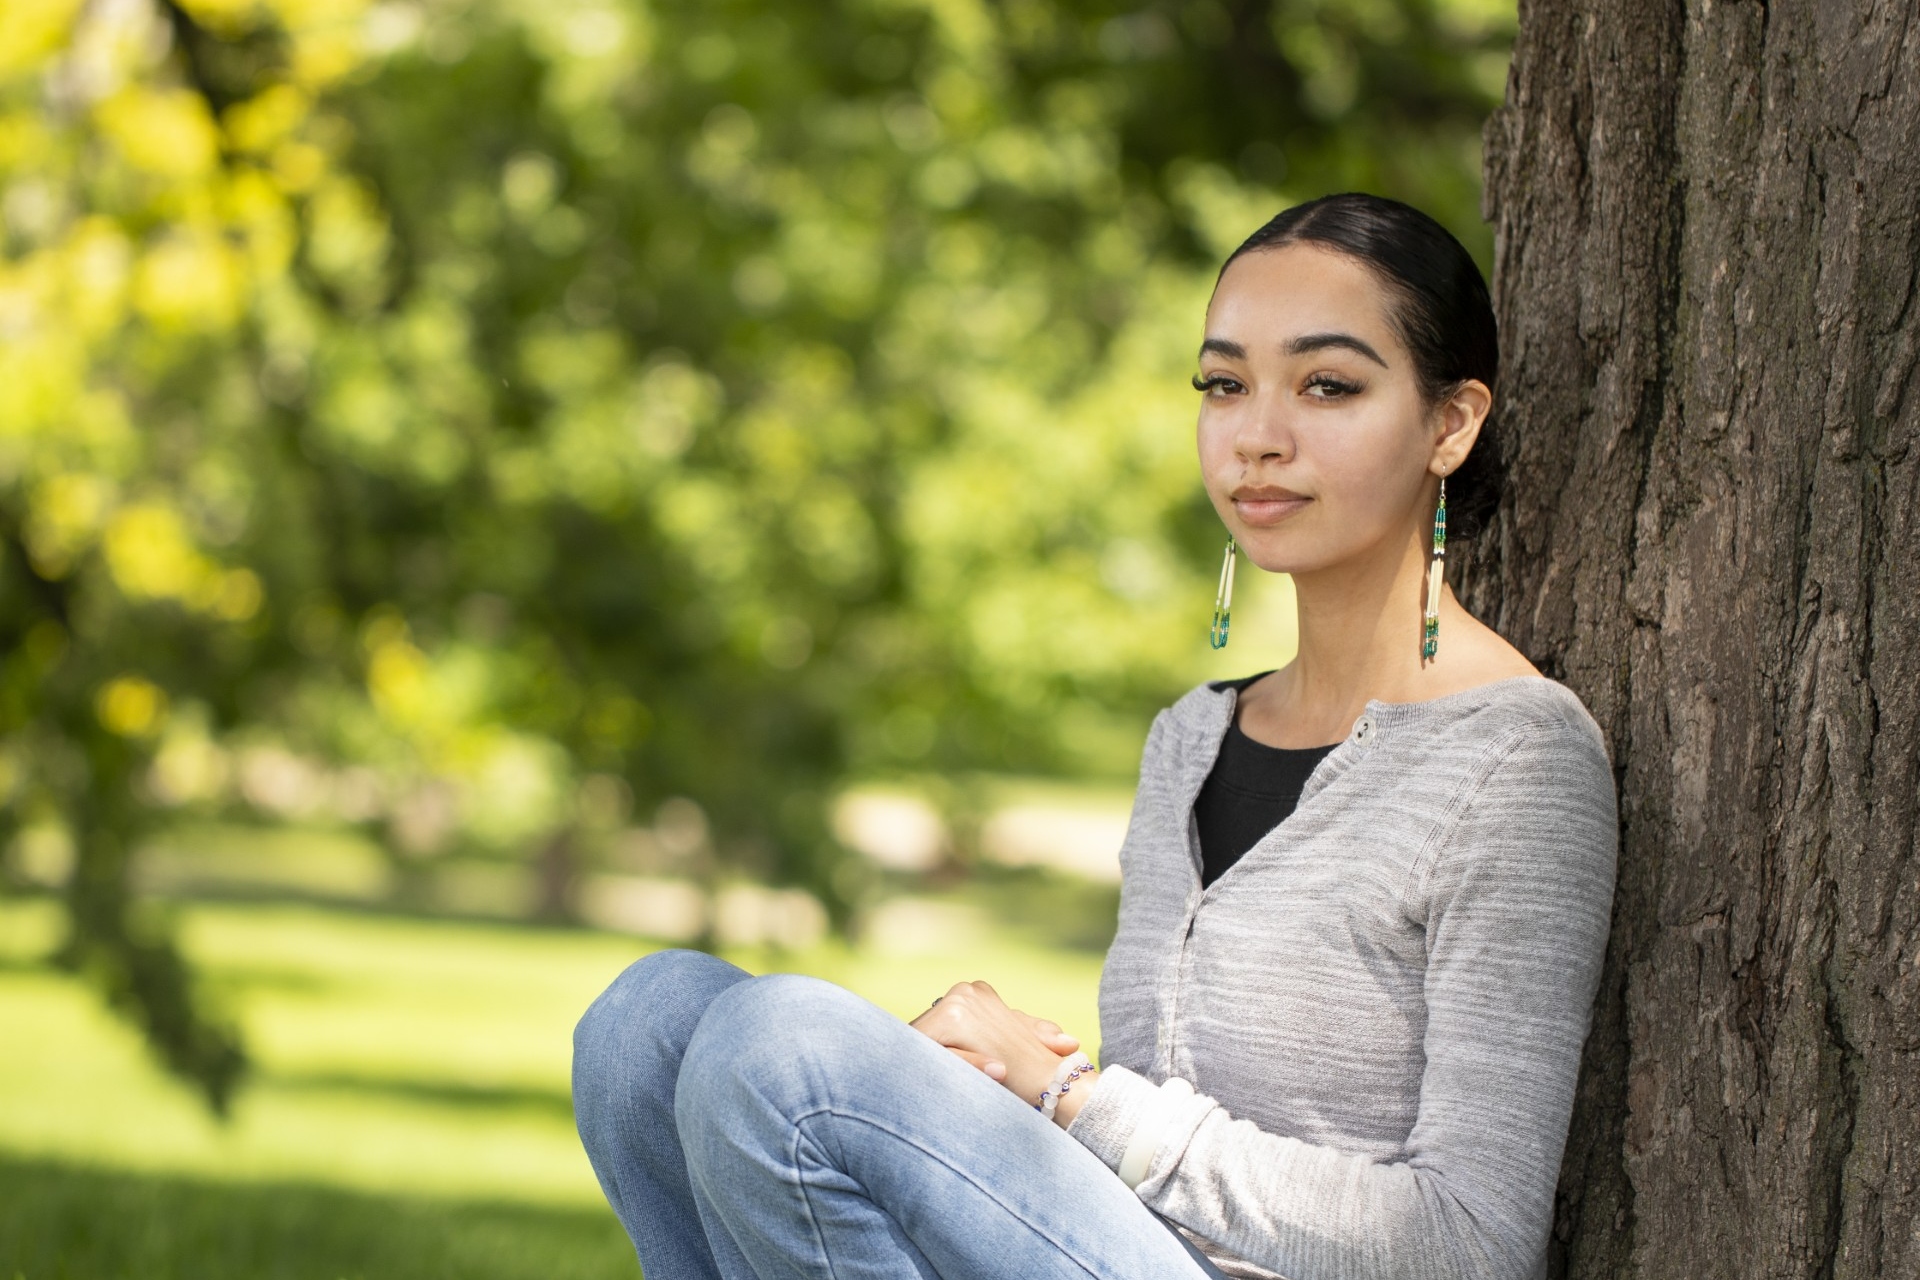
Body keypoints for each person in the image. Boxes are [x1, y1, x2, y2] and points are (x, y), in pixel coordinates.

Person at [572, 192, 1619, 1280]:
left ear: (1449, 423)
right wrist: (996, 1075)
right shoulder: (1192, 738)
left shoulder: (1516, 760)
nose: (1258, 434)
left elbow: (1469, 1240)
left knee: (783, 1045)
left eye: (1328, 385)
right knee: (648, 1023)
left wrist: (1069, 1095)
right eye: (1225, 384)